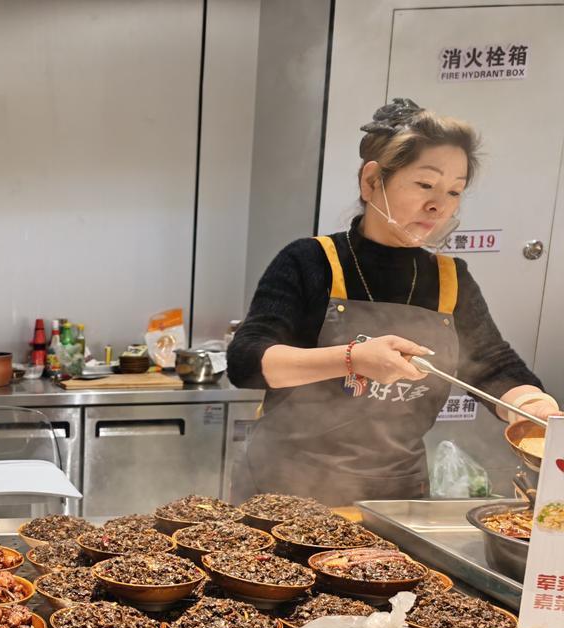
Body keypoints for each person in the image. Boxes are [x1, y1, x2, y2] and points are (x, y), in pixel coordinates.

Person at [227, 98, 557, 505]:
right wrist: (352, 359)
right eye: (425, 185)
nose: (439, 205)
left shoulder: (451, 279)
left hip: (396, 499)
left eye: (454, 191)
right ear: (371, 182)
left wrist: (532, 405)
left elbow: (493, 366)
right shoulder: (310, 261)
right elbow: (246, 361)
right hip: (285, 490)